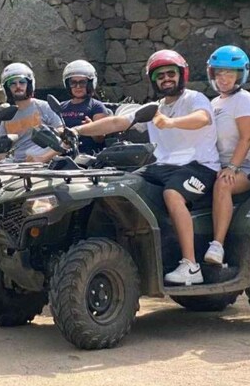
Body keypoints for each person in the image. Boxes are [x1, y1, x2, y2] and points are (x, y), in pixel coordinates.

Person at [69, 50, 219, 285]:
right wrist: (76, 131)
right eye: (160, 75)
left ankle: (191, 265)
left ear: (182, 75)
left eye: (171, 73)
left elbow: (202, 118)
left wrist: (171, 122)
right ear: (153, 81)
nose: (166, 79)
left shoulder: (194, 98)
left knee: (173, 194)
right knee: (120, 183)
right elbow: (117, 122)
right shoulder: (153, 107)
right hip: (162, 166)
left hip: (199, 167)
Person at [205, 45, 250, 265]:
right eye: (219, 73)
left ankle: (217, 245)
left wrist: (232, 167)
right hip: (221, 163)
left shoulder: (244, 100)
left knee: (223, 184)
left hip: (248, 167)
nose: (223, 78)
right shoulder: (215, 103)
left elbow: (246, 138)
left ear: (240, 74)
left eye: (229, 73)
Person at [0, 62, 64, 163]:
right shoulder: (7, 115)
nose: (18, 86)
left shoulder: (43, 107)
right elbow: (2, 149)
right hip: (15, 166)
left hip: (43, 165)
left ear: (29, 84)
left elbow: (63, 138)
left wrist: (44, 158)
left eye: (22, 82)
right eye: (12, 83)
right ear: (7, 88)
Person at [58, 60, 109, 155]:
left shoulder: (96, 106)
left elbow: (100, 138)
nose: (78, 87)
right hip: (62, 155)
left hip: (88, 158)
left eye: (82, 83)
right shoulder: (61, 106)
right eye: (73, 83)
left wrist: (92, 127)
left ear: (90, 84)